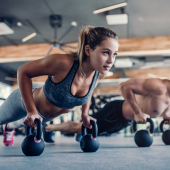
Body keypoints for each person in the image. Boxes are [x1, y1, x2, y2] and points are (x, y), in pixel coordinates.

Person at [0, 25, 119, 146]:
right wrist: (31, 111)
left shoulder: (98, 74)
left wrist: (85, 114)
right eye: (106, 53)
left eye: (114, 54)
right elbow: (23, 71)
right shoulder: (63, 63)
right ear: (88, 50)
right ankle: (9, 125)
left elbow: (89, 91)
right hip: (24, 101)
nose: (111, 60)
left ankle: (9, 127)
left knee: (21, 122)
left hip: (43, 116)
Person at [44, 78, 170, 138]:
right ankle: (48, 128)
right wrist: (137, 112)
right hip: (115, 112)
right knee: (80, 128)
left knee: (86, 131)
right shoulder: (159, 87)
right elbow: (124, 86)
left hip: (125, 121)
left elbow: (164, 111)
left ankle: (81, 134)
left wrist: (166, 116)